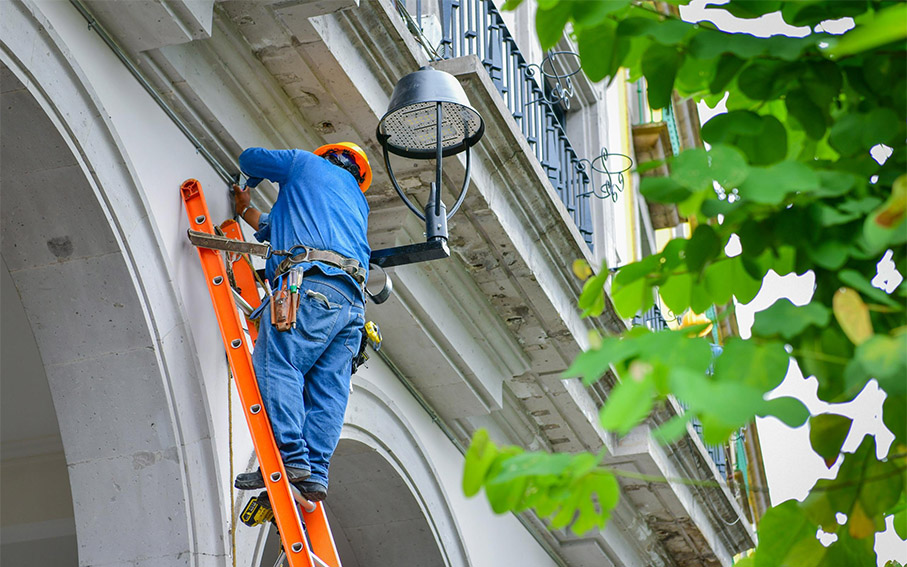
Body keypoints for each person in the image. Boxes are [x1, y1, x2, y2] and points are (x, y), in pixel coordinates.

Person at [231, 143, 371, 502]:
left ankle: (291, 458)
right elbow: (273, 226)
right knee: (329, 389)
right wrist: (245, 210)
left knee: (280, 362)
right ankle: (315, 471)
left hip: (311, 286)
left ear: (326, 154)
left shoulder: (303, 163)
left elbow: (249, 157)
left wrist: (257, 177)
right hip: (351, 305)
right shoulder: (356, 202)